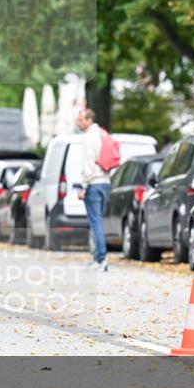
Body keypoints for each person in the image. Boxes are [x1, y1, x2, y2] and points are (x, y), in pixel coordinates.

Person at [76, 108, 110, 272]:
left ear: (89, 120)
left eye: (81, 120)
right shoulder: (103, 134)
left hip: (94, 183)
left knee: (95, 223)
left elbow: (88, 165)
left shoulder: (89, 137)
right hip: (105, 183)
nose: (78, 123)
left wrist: (83, 186)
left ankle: (101, 259)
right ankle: (99, 258)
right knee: (99, 222)